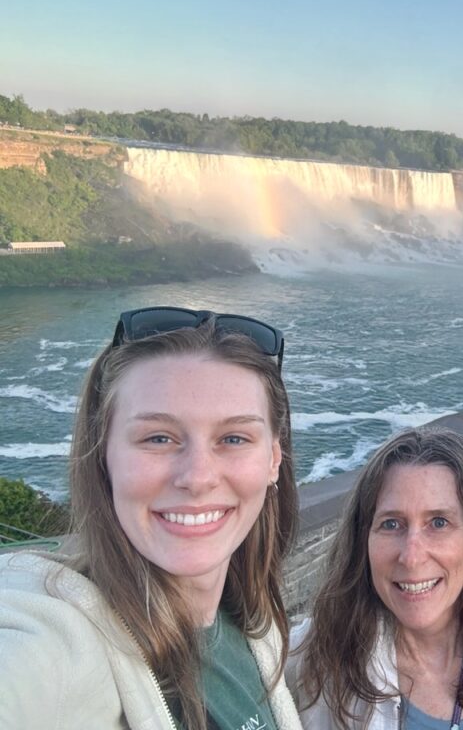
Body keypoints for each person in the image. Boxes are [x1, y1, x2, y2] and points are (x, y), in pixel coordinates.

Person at [0, 306, 302, 730]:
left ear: (273, 459)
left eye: (234, 438)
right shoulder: (59, 645)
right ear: (103, 456)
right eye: (158, 438)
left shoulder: (255, 624)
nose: (197, 477)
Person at [289, 427, 463, 729]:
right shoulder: (313, 660)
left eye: (438, 522)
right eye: (391, 524)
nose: (412, 557)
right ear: (364, 541)